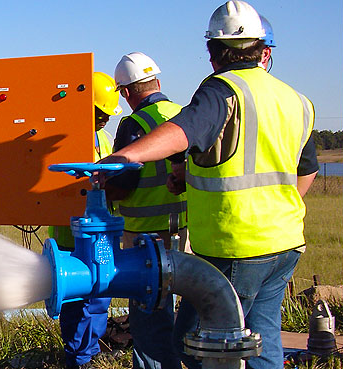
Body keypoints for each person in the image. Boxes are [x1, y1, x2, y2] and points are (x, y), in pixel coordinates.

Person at [97, 1, 318, 367]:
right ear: (264, 51)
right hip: (286, 243)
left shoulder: (222, 89)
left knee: (196, 343)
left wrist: (124, 157)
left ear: (212, 53)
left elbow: (183, 132)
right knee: (262, 338)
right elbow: (304, 169)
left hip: (237, 245)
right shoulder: (296, 100)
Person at [106, 51, 187, 369]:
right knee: (175, 304)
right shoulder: (181, 113)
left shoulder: (133, 124)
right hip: (182, 228)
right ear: (157, 81)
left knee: (148, 315)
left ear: (125, 92)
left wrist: (98, 189)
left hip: (144, 236)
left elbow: (124, 182)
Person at [52, 71, 122, 369]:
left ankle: (88, 355)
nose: (105, 121)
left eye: (107, 115)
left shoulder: (104, 140)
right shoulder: (62, 139)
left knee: (99, 300)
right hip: (71, 238)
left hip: (101, 237)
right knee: (74, 304)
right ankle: (78, 358)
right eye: (100, 113)